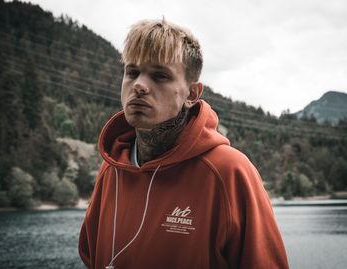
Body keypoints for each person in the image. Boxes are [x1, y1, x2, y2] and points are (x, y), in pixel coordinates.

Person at [78, 18, 289, 269]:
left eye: (160, 76)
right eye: (132, 72)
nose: (139, 85)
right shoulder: (112, 167)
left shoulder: (229, 171)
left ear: (191, 94)